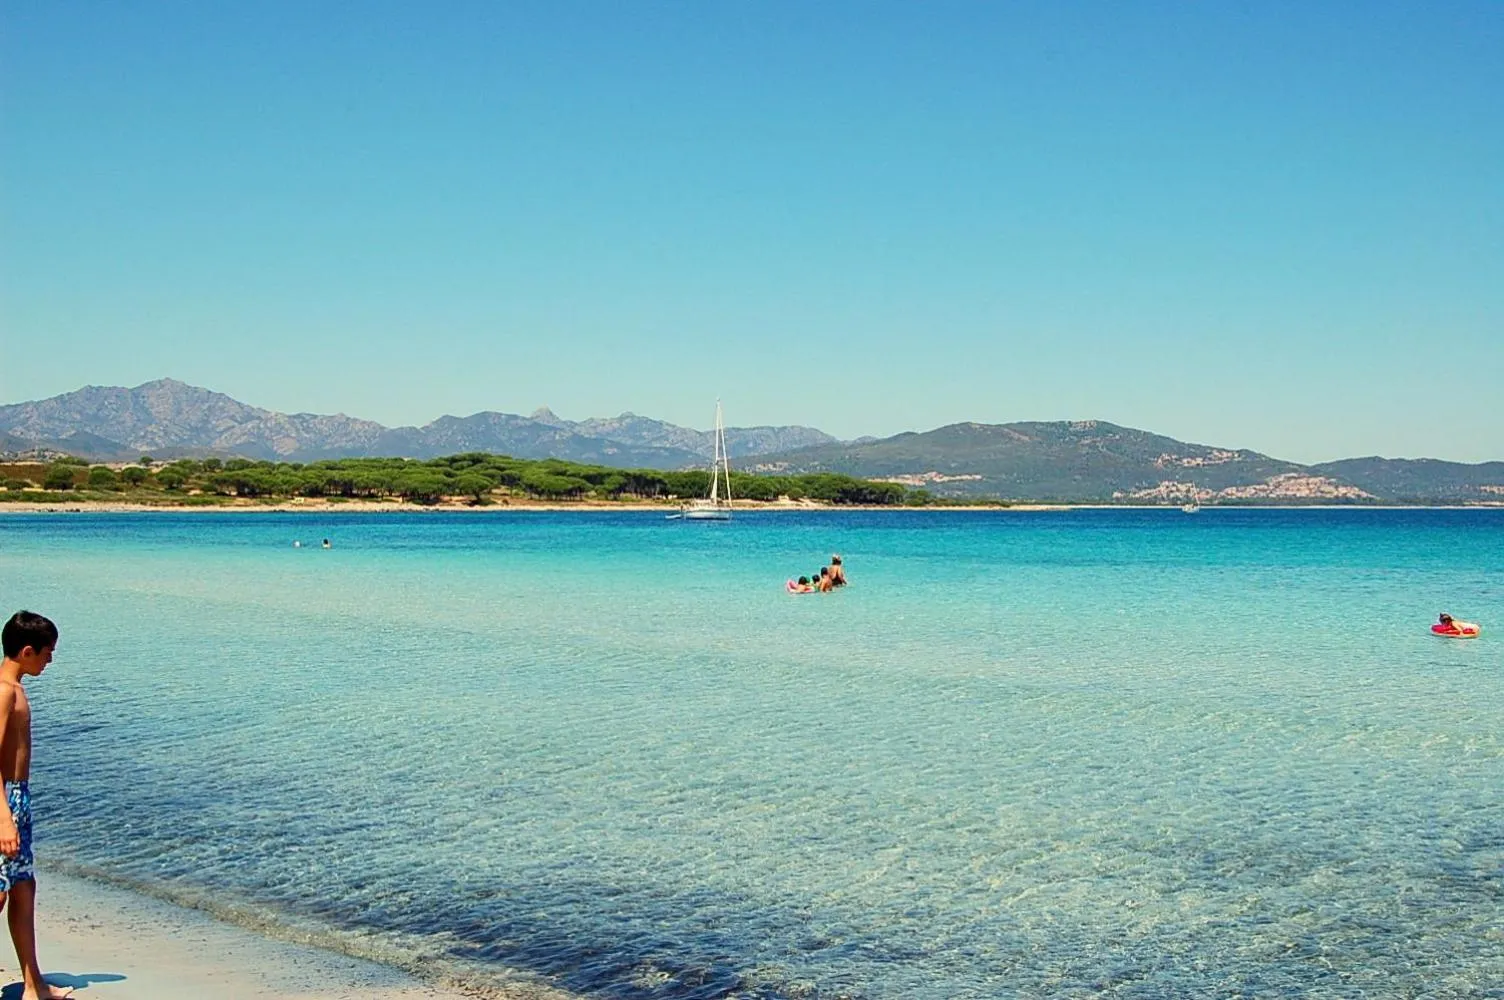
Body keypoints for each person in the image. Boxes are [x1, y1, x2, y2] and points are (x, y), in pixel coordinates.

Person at [0, 611, 72, 1000]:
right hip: (4, 802)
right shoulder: (4, 692)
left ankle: (33, 985)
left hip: (17, 800)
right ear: (27, 651)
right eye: (47, 653)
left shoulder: (17, 688)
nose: (50, 660)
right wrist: (4, 821)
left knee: (23, 887)